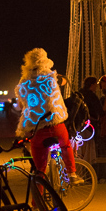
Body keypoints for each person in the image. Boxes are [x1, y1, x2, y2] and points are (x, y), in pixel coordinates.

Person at [15, 48, 83, 184]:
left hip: (36, 129)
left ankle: (36, 203)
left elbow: (20, 105)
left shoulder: (23, 81)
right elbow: (63, 82)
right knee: (66, 145)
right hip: (55, 124)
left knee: (39, 168)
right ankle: (72, 174)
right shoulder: (50, 76)